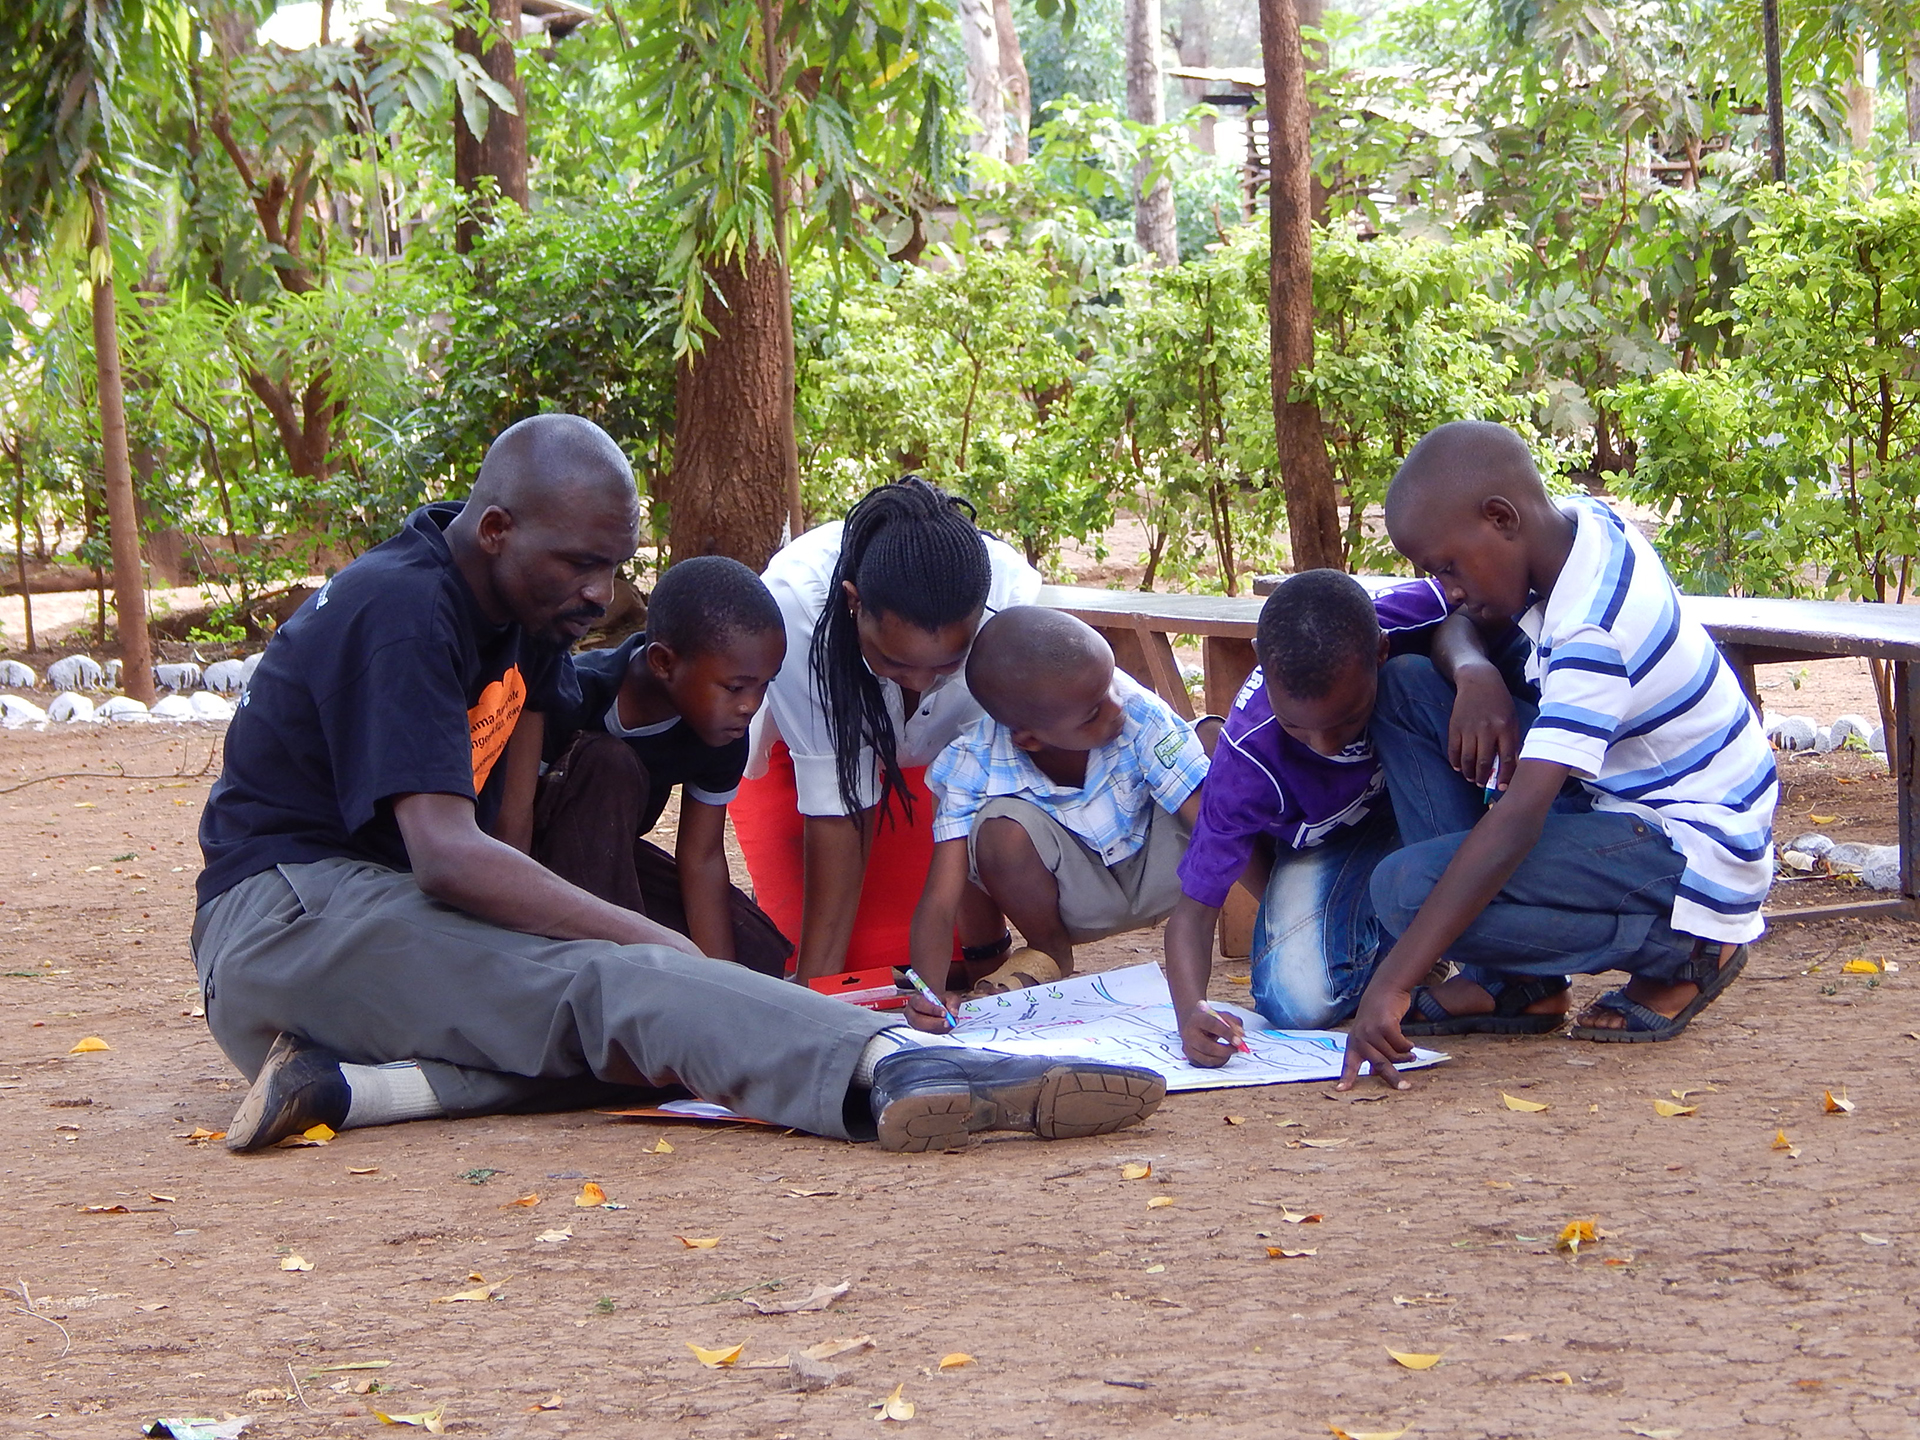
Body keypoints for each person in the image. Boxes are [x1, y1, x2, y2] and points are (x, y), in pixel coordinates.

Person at [191, 414, 1166, 1154]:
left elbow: (511, 826)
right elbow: (449, 854)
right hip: (288, 919)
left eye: (613, 568)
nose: (597, 595)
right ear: (494, 529)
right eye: (579, 564)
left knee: (634, 1030)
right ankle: (897, 1069)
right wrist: (656, 946)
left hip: (358, 930)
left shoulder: (519, 623)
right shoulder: (402, 612)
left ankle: (354, 1088)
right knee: (625, 983)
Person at [1337, 420, 1778, 1090]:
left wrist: (1392, 983)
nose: (1448, 590)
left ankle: (1683, 951)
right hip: (1619, 794)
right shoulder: (1578, 526)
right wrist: (1473, 673)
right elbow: (1460, 624)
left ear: (1501, 517)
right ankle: (1515, 984)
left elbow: (1516, 824)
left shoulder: (1592, 631)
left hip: (1693, 842)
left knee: (1404, 891)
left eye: (1448, 567)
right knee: (1406, 687)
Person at [1166, 570, 1510, 1066]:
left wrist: (1472, 666)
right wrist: (1190, 1012)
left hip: (1435, 799)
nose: (1326, 744)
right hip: (1337, 842)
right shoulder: (1246, 759)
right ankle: (1410, 951)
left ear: (1379, 651)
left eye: (1347, 719)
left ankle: (1495, 972)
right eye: (1297, 728)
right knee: (1293, 1001)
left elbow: (1492, 596)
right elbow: (1193, 913)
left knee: (1410, 681)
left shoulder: (1403, 616)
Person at [732, 477, 1042, 981]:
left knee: (954, 962)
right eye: (895, 663)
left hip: (941, 780)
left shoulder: (1011, 600)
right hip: (804, 771)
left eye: (948, 664)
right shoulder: (797, 606)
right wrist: (822, 992)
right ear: (854, 604)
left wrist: (986, 951)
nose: (921, 681)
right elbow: (837, 804)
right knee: (826, 959)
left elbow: (977, 780)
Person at [902, 608, 1209, 1021]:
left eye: (1109, 684)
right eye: (1091, 714)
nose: (1115, 707)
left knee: (1214, 748)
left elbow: (1218, 836)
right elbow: (941, 900)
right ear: (1029, 739)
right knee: (999, 831)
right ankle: (1048, 952)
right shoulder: (970, 763)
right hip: (1078, 904)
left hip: (1176, 879)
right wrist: (928, 996)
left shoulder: (1135, 710)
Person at [509, 556, 792, 976]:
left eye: (764, 684)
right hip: (532, 864)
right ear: (663, 662)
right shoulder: (573, 692)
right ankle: (616, 978)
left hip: (612, 863)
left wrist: (724, 984)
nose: (751, 705)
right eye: (735, 687)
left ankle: (663, 976)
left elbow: (702, 856)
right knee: (608, 763)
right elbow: (513, 820)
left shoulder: (721, 730)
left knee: (757, 950)